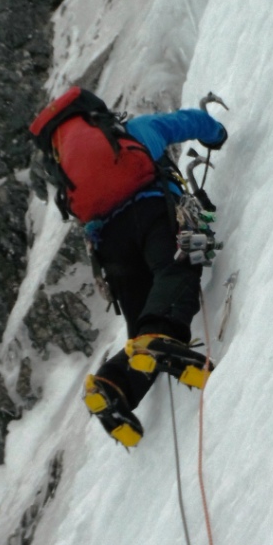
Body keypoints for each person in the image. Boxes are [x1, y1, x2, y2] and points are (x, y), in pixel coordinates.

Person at [31, 87, 227, 447]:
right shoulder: (132, 132)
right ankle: (161, 341)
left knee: (142, 336)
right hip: (154, 213)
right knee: (177, 271)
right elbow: (190, 123)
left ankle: (113, 385)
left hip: (111, 245)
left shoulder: (70, 172)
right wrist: (216, 134)